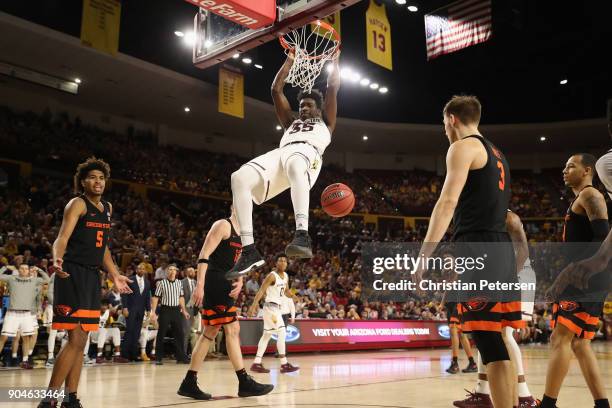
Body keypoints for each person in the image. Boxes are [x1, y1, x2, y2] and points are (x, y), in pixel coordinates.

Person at [413, 96, 524, 408]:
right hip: (499, 247)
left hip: (479, 248)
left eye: (444, 125)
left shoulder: (462, 147)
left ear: (451, 119)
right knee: (498, 338)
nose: (445, 132)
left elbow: (447, 202)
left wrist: (424, 256)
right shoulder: (498, 153)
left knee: (489, 343)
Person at [226, 54, 341, 278]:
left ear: (318, 109)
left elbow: (332, 87)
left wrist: (335, 62)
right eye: (301, 106)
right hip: (283, 154)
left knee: (296, 163)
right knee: (238, 178)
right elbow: (276, 90)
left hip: (309, 155)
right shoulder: (291, 123)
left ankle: (302, 235)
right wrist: (289, 59)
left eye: (308, 105)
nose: (304, 108)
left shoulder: (326, 122)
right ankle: (249, 250)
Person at [39, 157, 132, 408]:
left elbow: (102, 249)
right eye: (92, 177)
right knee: (75, 339)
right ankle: (48, 400)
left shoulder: (107, 208)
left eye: (101, 178)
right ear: (83, 182)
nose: (98, 181)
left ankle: (71, 398)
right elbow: (62, 237)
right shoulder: (77, 204)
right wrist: (57, 259)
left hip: (92, 276)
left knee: (83, 340)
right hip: (71, 273)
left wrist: (114, 274)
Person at [177, 206, 274, 400]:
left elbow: (240, 264)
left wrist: (241, 279)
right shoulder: (223, 225)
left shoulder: (245, 234)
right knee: (230, 330)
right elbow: (204, 255)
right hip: (215, 281)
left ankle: (189, 381)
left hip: (226, 283)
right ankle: (243, 381)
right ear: (233, 206)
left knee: (213, 332)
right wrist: (200, 285)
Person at [539, 154, 609, 408]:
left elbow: (602, 240)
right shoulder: (581, 199)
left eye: (571, 166)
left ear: (588, 170)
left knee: (560, 338)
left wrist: (566, 275)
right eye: (564, 166)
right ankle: (602, 405)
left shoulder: (591, 196)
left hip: (583, 279)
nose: (564, 170)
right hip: (586, 278)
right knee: (580, 344)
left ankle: (547, 404)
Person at [453, 211, 538, 408]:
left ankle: (524, 396)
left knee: (504, 335)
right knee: (486, 332)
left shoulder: (505, 216)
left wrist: (507, 279)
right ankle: (483, 392)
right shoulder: (477, 217)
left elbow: (523, 251)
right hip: (499, 273)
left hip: (518, 274)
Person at [249, 254, 299, 373]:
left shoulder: (285, 276)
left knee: (266, 335)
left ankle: (256, 363)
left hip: (276, 308)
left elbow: (286, 291)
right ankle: (284, 363)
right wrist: (253, 306)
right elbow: (261, 290)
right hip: (270, 308)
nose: (282, 263)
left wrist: (293, 296)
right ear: (276, 263)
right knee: (282, 332)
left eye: (285, 261)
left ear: (287, 264)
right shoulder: (272, 276)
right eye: (280, 261)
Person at [0, 263, 49, 369]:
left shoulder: (34, 280)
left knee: (26, 337)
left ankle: (25, 361)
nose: (23, 270)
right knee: (3, 337)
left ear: (28, 271)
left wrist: (39, 269)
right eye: (21, 268)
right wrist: (5, 267)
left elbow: (47, 280)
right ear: (18, 270)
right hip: (12, 313)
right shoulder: (12, 278)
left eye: (26, 269)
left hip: (27, 313)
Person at [149, 264, 190, 364]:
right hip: (165, 310)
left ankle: (181, 357)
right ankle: (158, 358)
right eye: (170, 270)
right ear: (167, 272)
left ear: (176, 272)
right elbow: (155, 298)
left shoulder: (179, 283)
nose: (172, 272)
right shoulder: (162, 283)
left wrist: (184, 310)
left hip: (176, 310)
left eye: (174, 270)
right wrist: (153, 312)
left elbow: (181, 298)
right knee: (161, 333)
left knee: (179, 334)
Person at [121, 262, 151, 361]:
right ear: (136, 270)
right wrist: (124, 307)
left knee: (137, 332)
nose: (141, 270)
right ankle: (124, 355)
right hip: (130, 309)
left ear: (145, 271)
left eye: (143, 269)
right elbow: (124, 293)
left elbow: (147, 297)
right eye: (139, 268)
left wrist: (148, 310)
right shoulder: (130, 279)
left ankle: (133, 355)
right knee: (129, 331)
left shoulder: (147, 282)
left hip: (141, 311)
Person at [91, 299, 128, 363]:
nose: (104, 307)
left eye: (105, 305)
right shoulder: (94, 311)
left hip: (102, 334)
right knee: (103, 330)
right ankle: (99, 356)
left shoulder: (107, 312)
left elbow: (107, 324)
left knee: (116, 330)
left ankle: (117, 356)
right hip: (93, 333)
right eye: (102, 305)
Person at [181, 266, 198, 356]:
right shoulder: (181, 282)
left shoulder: (196, 283)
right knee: (185, 332)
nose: (192, 272)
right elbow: (180, 297)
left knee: (193, 333)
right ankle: (183, 353)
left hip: (194, 310)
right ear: (186, 273)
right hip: (185, 309)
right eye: (190, 271)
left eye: (193, 271)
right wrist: (182, 308)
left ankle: (190, 353)